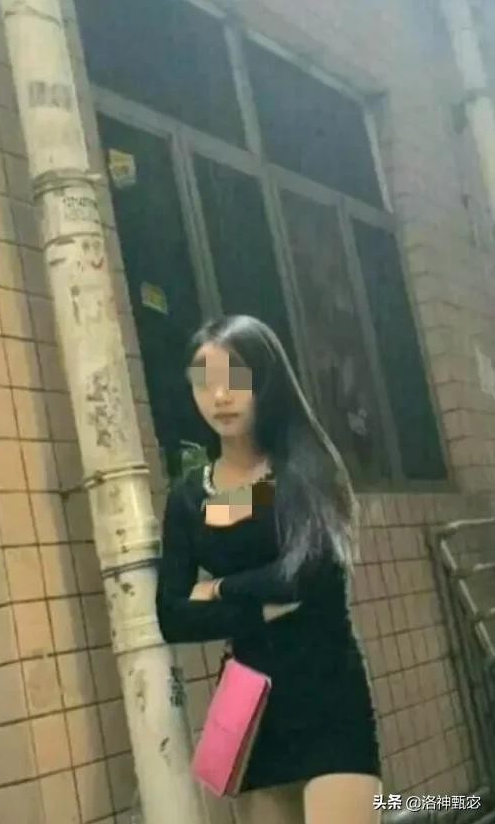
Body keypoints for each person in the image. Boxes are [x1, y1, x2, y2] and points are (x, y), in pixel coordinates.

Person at [155, 315, 383, 824]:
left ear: (265, 379)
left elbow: (308, 574)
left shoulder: (304, 467)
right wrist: (261, 611)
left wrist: (219, 589)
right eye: (205, 383)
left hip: (329, 697)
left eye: (234, 379)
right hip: (253, 711)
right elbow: (172, 615)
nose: (220, 396)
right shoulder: (191, 500)